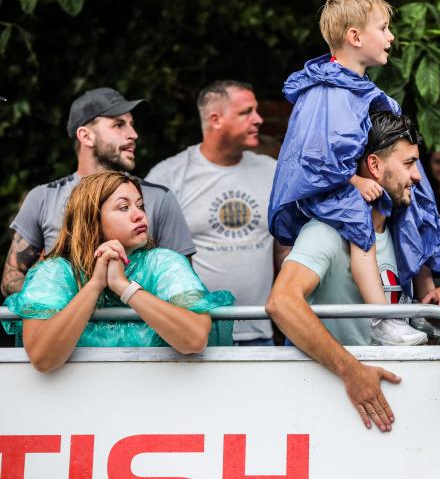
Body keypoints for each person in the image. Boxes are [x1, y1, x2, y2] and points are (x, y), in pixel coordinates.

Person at [268, 0, 440, 345]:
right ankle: (382, 319)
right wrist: (353, 181)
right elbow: (313, 158)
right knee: (358, 220)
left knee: (415, 207)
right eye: (383, 28)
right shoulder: (323, 92)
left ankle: (421, 300)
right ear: (354, 36)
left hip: (362, 186)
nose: (391, 37)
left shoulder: (366, 91)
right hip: (334, 191)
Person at [266, 111, 440, 432]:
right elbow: (281, 303)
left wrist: (434, 307)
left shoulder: (404, 235)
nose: (418, 176)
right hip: (331, 414)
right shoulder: (325, 232)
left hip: (397, 411)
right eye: (409, 163)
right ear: (374, 166)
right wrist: (351, 370)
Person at [2, 172, 233, 372]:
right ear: (91, 219)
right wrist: (95, 285)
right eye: (124, 208)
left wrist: (123, 286)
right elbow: (43, 358)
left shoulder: (164, 262)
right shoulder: (55, 272)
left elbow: (195, 338)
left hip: (159, 400)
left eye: (140, 206)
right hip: (77, 404)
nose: (139, 215)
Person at [1, 88, 195, 299]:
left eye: (131, 124)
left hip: (141, 321)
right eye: (119, 124)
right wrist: (68, 300)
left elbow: (184, 287)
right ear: (86, 136)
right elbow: (11, 277)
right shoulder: (43, 198)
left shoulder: (160, 198)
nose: (133, 134)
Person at [147, 80, 289, 346]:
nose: (258, 119)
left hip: (259, 334)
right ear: (215, 120)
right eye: (246, 112)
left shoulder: (271, 171)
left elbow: (285, 252)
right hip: (196, 338)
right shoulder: (169, 176)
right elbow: (149, 258)